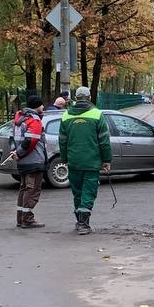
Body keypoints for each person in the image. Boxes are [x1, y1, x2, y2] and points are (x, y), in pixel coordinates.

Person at [58, 86, 111, 234]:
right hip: (92, 162)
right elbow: (104, 141)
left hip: (74, 161)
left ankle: (79, 221)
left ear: (76, 98)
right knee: (88, 191)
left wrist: (64, 158)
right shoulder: (96, 114)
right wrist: (106, 159)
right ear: (88, 98)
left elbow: (62, 140)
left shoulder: (66, 115)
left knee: (77, 192)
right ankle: (83, 224)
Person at [11, 92, 47, 229]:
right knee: (32, 190)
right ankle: (27, 219)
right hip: (33, 161)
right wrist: (19, 153)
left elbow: (13, 139)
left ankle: (21, 218)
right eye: (41, 105)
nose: (43, 107)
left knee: (24, 189)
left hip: (23, 162)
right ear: (37, 106)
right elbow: (31, 140)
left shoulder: (19, 120)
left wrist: (15, 152)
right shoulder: (34, 120)